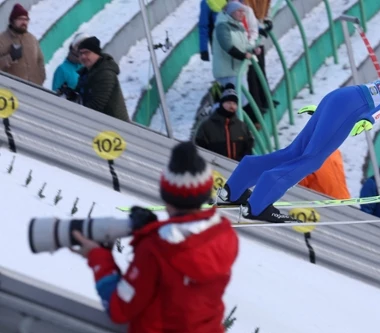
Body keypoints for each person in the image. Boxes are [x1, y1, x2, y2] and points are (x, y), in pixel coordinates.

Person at [216, 61, 380, 222]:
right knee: (310, 160)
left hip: (341, 100)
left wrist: (329, 110)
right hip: (353, 108)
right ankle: (257, 205)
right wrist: (371, 119)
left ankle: (233, 189)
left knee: (293, 152)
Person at [71, 141, 239, 333]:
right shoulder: (224, 236)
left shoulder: (156, 249)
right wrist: (151, 229)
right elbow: (186, 256)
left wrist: (98, 257)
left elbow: (120, 309)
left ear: (166, 195)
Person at [70, 36, 130, 122]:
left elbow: (96, 106)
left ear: (96, 53)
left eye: (86, 53)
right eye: (80, 54)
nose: (83, 57)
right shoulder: (86, 72)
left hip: (113, 128)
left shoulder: (105, 73)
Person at [195, 83, 254, 161]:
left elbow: (248, 147)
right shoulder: (207, 126)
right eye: (229, 103)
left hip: (237, 168)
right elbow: (199, 149)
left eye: (234, 103)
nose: (232, 106)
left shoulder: (242, 126)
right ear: (222, 104)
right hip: (215, 169)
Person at [0, 3, 45, 85]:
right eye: (20, 19)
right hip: (12, 89)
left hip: (34, 89)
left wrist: (40, 78)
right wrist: (9, 58)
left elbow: (40, 60)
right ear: (12, 21)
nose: (24, 22)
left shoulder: (32, 39)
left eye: (26, 19)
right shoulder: (2, 39)